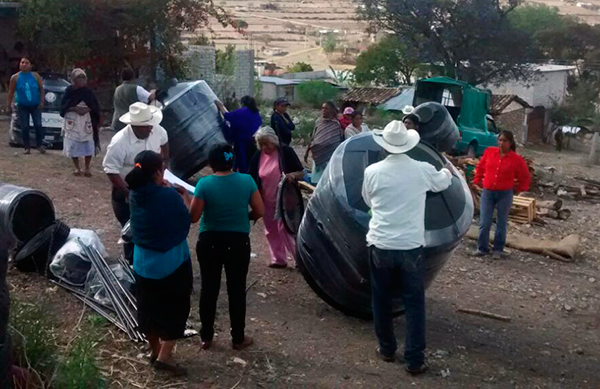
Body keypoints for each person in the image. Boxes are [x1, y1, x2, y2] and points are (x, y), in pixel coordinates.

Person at [362, 120, 453, 375]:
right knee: (413, 303)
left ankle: (387, 349)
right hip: (410, 247)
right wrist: (447, 169)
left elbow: (368, 199)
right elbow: (443, 182)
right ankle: (414, 359)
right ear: (408, 144)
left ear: (386, 145)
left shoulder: (372, 172)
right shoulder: (421, 170)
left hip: (380, 243)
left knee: (380, 298)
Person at [190, 144, 264, 351]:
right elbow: (260, 210)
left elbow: (194, 217)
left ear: (211, 163)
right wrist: (245, 216)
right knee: (237, 290)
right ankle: (238, 338)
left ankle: (206, 337)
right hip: (238, 242)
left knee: (209, 289)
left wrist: (186, 198)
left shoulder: (204, 184)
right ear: (232, 161)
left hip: (209, 241)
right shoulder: (247, 180)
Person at [126, 150, 192, 376]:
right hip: (170, 262)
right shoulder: (168, 196)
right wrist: (184, 194)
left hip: (143, 262)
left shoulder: (134, 193)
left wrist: (158, 185)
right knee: (176, 308)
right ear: (158, 172)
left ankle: (154, 350)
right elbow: (186, 220)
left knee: (148, 308)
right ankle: (164, 357)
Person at [103, 102, 169, 263]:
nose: (151, 129)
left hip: (152, 187)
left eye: (151, 125)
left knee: (153, 225)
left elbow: (165, 143)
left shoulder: (157, 130)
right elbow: (111, 170)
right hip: (128, 188)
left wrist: (163, 164)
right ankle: (132, 264)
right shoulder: (119, 142)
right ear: (135, 126)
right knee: (132, 229)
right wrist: (129, 194)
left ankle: (152, 260)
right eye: (146, 127)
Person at [249, 126, 304, 268]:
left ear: (274, 140)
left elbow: (301, 172)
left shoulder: (285, 152)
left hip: (285, 198)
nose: (265, 147)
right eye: (262, 144)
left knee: (285, 229)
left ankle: (300, 260)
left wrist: (292, 175)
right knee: (270, 230)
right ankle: (278, 259)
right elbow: (252, 177)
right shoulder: (257, 156)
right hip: (265, 198)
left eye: (268, 143)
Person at [473, 130, 530, 259]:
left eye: (504, 141)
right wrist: (478, 180)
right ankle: (482, 248)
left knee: (501, 222)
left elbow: (525, 176)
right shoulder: (489, 152)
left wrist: (518, 189)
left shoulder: (516, 159)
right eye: (500, 140)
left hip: (505, 193)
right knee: (485, 221)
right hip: (488, 192)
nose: (501, 143)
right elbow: (481, 167)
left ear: (510, 143)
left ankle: (498, 250)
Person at [60, 68, 101, 177]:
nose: (82, 80)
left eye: (83, 77)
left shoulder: (88, 92)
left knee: (88, 143)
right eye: (79, 77)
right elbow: (63, 107)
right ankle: (77, 168)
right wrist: (74, 109)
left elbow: (95, 106)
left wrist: (88, 109)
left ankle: (87, 167)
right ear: (74, 79)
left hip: (86, 121)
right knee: (73, 143)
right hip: (73, 121)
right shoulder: (69, 91)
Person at [6, 57, 45, 155]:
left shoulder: (35, 76)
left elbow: (41, 90)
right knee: (25, 127)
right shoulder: (15, 77)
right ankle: (27, 147)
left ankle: (39, 145)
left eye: (26, 63)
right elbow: (11, 92)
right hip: (22, 106)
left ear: (30, 65)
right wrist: (8, 105)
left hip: (35, 105)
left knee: (38, 125)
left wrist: (42, 102)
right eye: (22, 62)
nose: (24, 64)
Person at [215, 96, 262, 173]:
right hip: (253, 143)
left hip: (241, 143)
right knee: (250, 162)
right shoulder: (256, 113)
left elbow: (227, 116)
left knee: (241, 163)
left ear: (243, 103)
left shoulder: (243, 111)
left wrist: (220, 106)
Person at [304, 101, 344, 184]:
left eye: (326, 108)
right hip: (318, 154)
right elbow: (313, 137)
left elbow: (338, 140)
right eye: (322, 108)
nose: (323, 110)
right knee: (316, 180)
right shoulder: (319, 121)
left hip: (330, 156)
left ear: (332, 110)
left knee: (327, 180)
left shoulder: (336, 124)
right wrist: (307, 152)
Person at [111, 67, 155, 132]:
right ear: (133, 77)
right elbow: (151, 97)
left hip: (118, 123)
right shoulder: (136, 88)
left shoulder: (117, 89)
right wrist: (153, 92)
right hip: (132, 124)